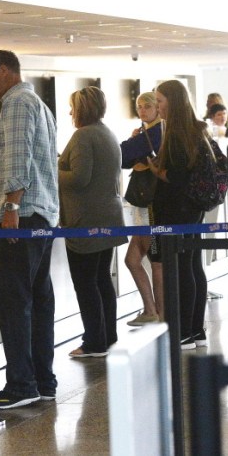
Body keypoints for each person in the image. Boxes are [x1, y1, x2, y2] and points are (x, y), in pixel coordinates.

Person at [0, 49, 59, 410]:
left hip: (22, 216)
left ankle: (21, 384)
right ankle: (43, 379)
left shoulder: (16, 103)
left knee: (13, 302)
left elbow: (17, 158)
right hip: (40, 216)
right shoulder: (38, 103)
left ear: (5, 70)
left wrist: (10, 207)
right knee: (39, 300)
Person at [59, 86, 128, 357]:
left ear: (82, 109)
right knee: (101, 279)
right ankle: (107, 335)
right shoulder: (107, 133)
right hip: (108, 216)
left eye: (73, 108)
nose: (70, 113)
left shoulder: (82, 136)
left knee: (86, 282)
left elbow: (78, 177)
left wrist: (52, 171)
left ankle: (94, 341)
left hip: (85, 219)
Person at [147, 80, 209, 351]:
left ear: (171, 101)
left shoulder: (177, 133)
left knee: (183, 269)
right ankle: (196, 329)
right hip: (193, 208)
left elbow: (179, 175)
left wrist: (156, 170)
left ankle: (183, 331)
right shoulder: (195, 129)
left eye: (159, 100)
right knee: (193, 265)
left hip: (178, 209)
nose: (157, 105)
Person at [120, 91, 163, 326]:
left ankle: (160, 313)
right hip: (141, 205)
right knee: (133, 259)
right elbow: (127, 158)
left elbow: (123, 154)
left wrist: (132, 143)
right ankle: (151, 310)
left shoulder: (156, 133)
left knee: (156, 261)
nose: (143, 110)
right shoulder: (146, 134)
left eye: (147, 106)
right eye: (139, 106)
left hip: (150, 207)